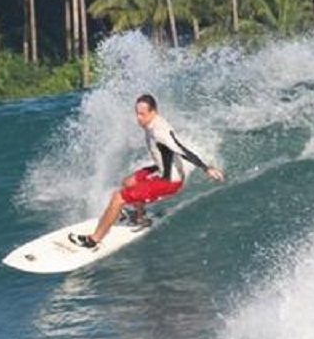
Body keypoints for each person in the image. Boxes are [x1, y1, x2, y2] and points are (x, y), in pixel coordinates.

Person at [69, 94, 225, 249]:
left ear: (153, 112)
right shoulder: (150, 125)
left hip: (169, 181)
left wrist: (206, 168)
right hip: (161, 169)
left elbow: (182, 150)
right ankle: (140, 218)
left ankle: (94, 240)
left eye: (142, 114)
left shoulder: (159, 131)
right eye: (137, 113)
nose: (138, 118)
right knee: (128, 182)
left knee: (118, 198)